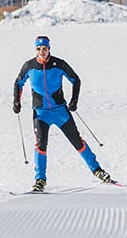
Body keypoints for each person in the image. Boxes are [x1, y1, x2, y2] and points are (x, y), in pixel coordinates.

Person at [13, 35, 113, 192]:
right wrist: (16, 102)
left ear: (49, 49)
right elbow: (18, 83)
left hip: (60, 111)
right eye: (38, 49)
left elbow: (75, 80)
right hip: (41, 113)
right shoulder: (29, 66)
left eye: (44, 49)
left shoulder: (59, 64)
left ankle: (97, 170)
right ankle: (40, 180)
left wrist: (74, 101)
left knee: (77, 141)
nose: (42, 52)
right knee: (40, 144)